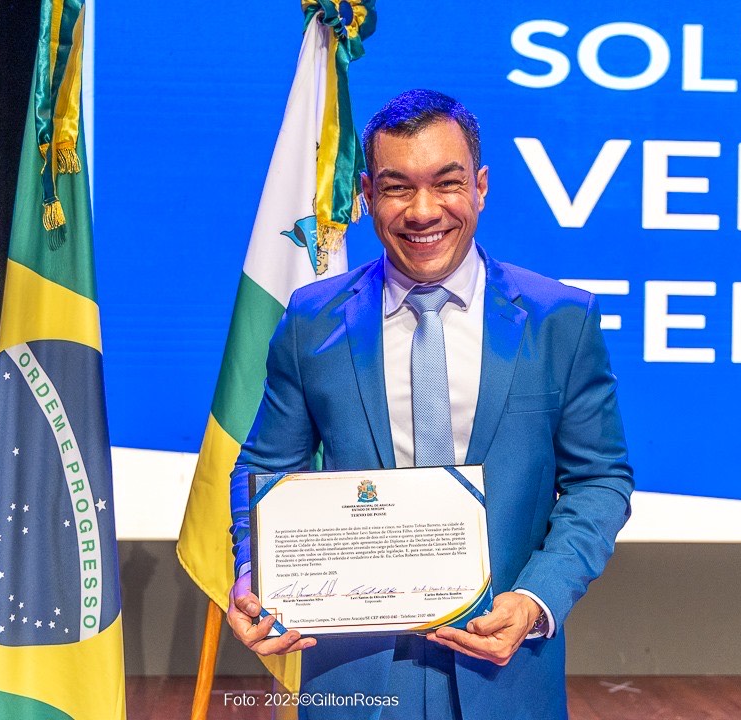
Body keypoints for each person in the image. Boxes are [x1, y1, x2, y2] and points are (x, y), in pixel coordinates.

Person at [226, 89, 633, 719]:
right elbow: (264, 469)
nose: (422, 211)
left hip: (507, 677)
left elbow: (600, 481)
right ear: (365, 194)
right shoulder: (312, 321)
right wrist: (258, 574)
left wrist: (535, 601)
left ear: (481, 187)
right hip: (353, 678)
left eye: (446, 183)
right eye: (396, 188)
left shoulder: (561, 321)